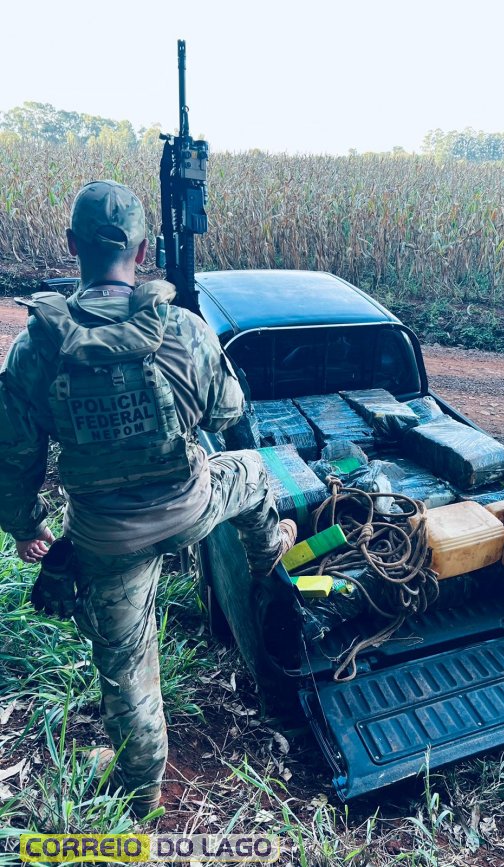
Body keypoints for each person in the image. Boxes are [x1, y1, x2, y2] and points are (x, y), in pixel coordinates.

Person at [0, 180, 296, 818]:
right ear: (142, 251)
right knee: (252, 470)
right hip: (190, 508)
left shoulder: (39, 347)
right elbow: (229, 411)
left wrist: (25, 525)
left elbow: (16, 453)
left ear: (72, 245)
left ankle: (142, 789)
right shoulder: (183, 330)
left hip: (106, 540)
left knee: (130, 670)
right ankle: (268, 549)